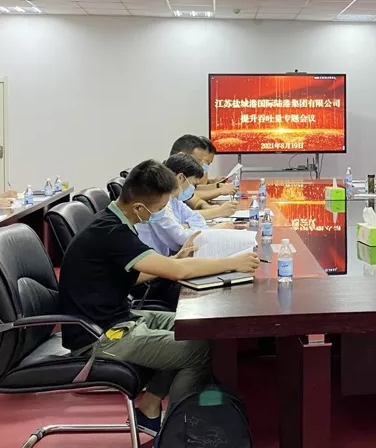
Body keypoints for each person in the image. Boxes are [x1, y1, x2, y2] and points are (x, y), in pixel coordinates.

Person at [58, 159, 260, 435]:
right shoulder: (112, 233)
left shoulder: (114, 222)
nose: (164, 212)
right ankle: (176, 429)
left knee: (198, 327)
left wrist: (172, 260)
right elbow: (178, 273)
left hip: (120, 317)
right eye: (161, 208)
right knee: (198, 350)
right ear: (139, 208)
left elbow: (132, 274)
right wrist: (232, 263)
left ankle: (150, 407)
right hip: (99, 335)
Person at [136, 154, 234, 257]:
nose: (193, 188)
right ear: (181, 177)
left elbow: (197, 218)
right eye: (193, 184)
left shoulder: (175, 199)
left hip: (168, 256)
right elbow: (181, 239)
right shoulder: (159, 202)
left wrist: (184, 226)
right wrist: (212, 230)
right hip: (156, 259)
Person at [169, 135, 238, 219]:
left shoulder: (183, 185)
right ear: (182, 156)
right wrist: (218, 211)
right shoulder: (162, 186)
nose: (201, 165)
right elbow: (178, 219)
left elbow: (195, 203)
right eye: (198, 160)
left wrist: (208, 207)